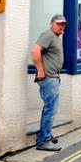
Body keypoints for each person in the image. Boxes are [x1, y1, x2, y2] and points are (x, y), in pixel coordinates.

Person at [29, 14, 67, 151]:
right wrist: (40, 71)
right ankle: (43, 141)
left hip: (54, 77)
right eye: (58, 24)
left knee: (51, 109)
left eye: (63, 24)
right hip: (49, 78)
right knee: (50, 109)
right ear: (51, 24)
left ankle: (47, 136)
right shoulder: (48, 35)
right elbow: (34, 52)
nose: (61, 26)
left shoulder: (56, 37)